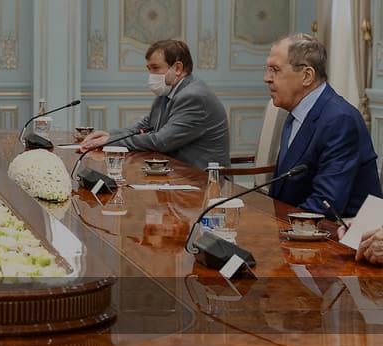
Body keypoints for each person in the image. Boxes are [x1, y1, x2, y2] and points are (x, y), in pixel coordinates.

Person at [265, 34, 381, 218]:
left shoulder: (340, 120)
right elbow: (283, 188)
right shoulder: (295, 112)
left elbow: (326, 204)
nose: (267, 78)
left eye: (275, 70)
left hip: (340, 231)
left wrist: (274, 225)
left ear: (307, 76)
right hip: (294, 223)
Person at [79, 39, 230, 169]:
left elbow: (161, 141)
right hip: (176, 173)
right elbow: (146, 125)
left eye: (156, 68)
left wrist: (110, 142)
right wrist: (111, 135)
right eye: (149, 69)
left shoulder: (193, 97)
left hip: (202, 179)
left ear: (177, 68)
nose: (151, 75)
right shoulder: (168, 91)